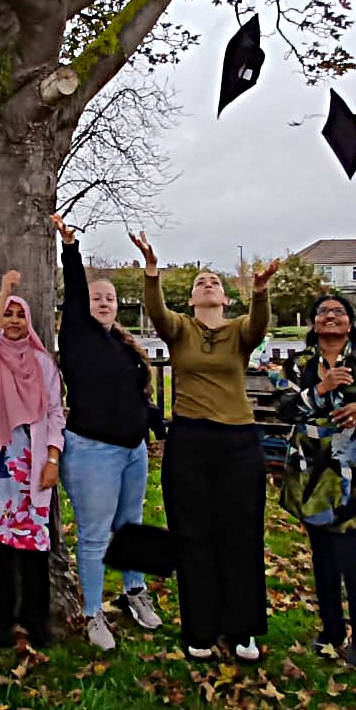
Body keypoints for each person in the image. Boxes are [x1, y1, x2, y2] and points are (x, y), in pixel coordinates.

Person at [130, 231, 278, 663]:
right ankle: (200, 627)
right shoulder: (181, 329)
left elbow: (259, 325)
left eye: (214, 281)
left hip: (238, 442)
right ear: (192, 299)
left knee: (240, 534)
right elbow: (158, 313)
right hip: (190, 441)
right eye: (200, 282)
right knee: (193, 535)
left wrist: (261, 291)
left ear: (225, 299)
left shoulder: (238, 332)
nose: (207, 284)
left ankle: (242, 628)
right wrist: (152, 272)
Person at [49, 214, 163, 651]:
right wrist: (71, 249)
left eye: (110, 298)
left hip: (133, 450)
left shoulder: (122, 344)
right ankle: (93, 612)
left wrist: (153, 422)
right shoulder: (77, 337)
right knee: (96, 535)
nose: (103, 302)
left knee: (131, 526)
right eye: (96, 297)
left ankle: (135, 592)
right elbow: (75, 292)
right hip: (93, 451)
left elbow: (134, 394)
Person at [274, 294, 356, 669]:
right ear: (313, 323)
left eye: (338, 312)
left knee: (352, 553)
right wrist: (321, 388)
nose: (330, 316)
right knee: (322, 556)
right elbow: (284, 409)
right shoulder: (298, 364)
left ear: (350, 321)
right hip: (311, 473)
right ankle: (331, 630)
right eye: (322, 312)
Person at [0, 270, 65, 648]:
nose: (14, 321)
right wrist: (5, 291)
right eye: (8, 314)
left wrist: (53, 459)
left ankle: (37, 623)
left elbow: (55, 414)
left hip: (34, 465)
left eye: (21, 315)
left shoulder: (43, 364)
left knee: (36, 546)